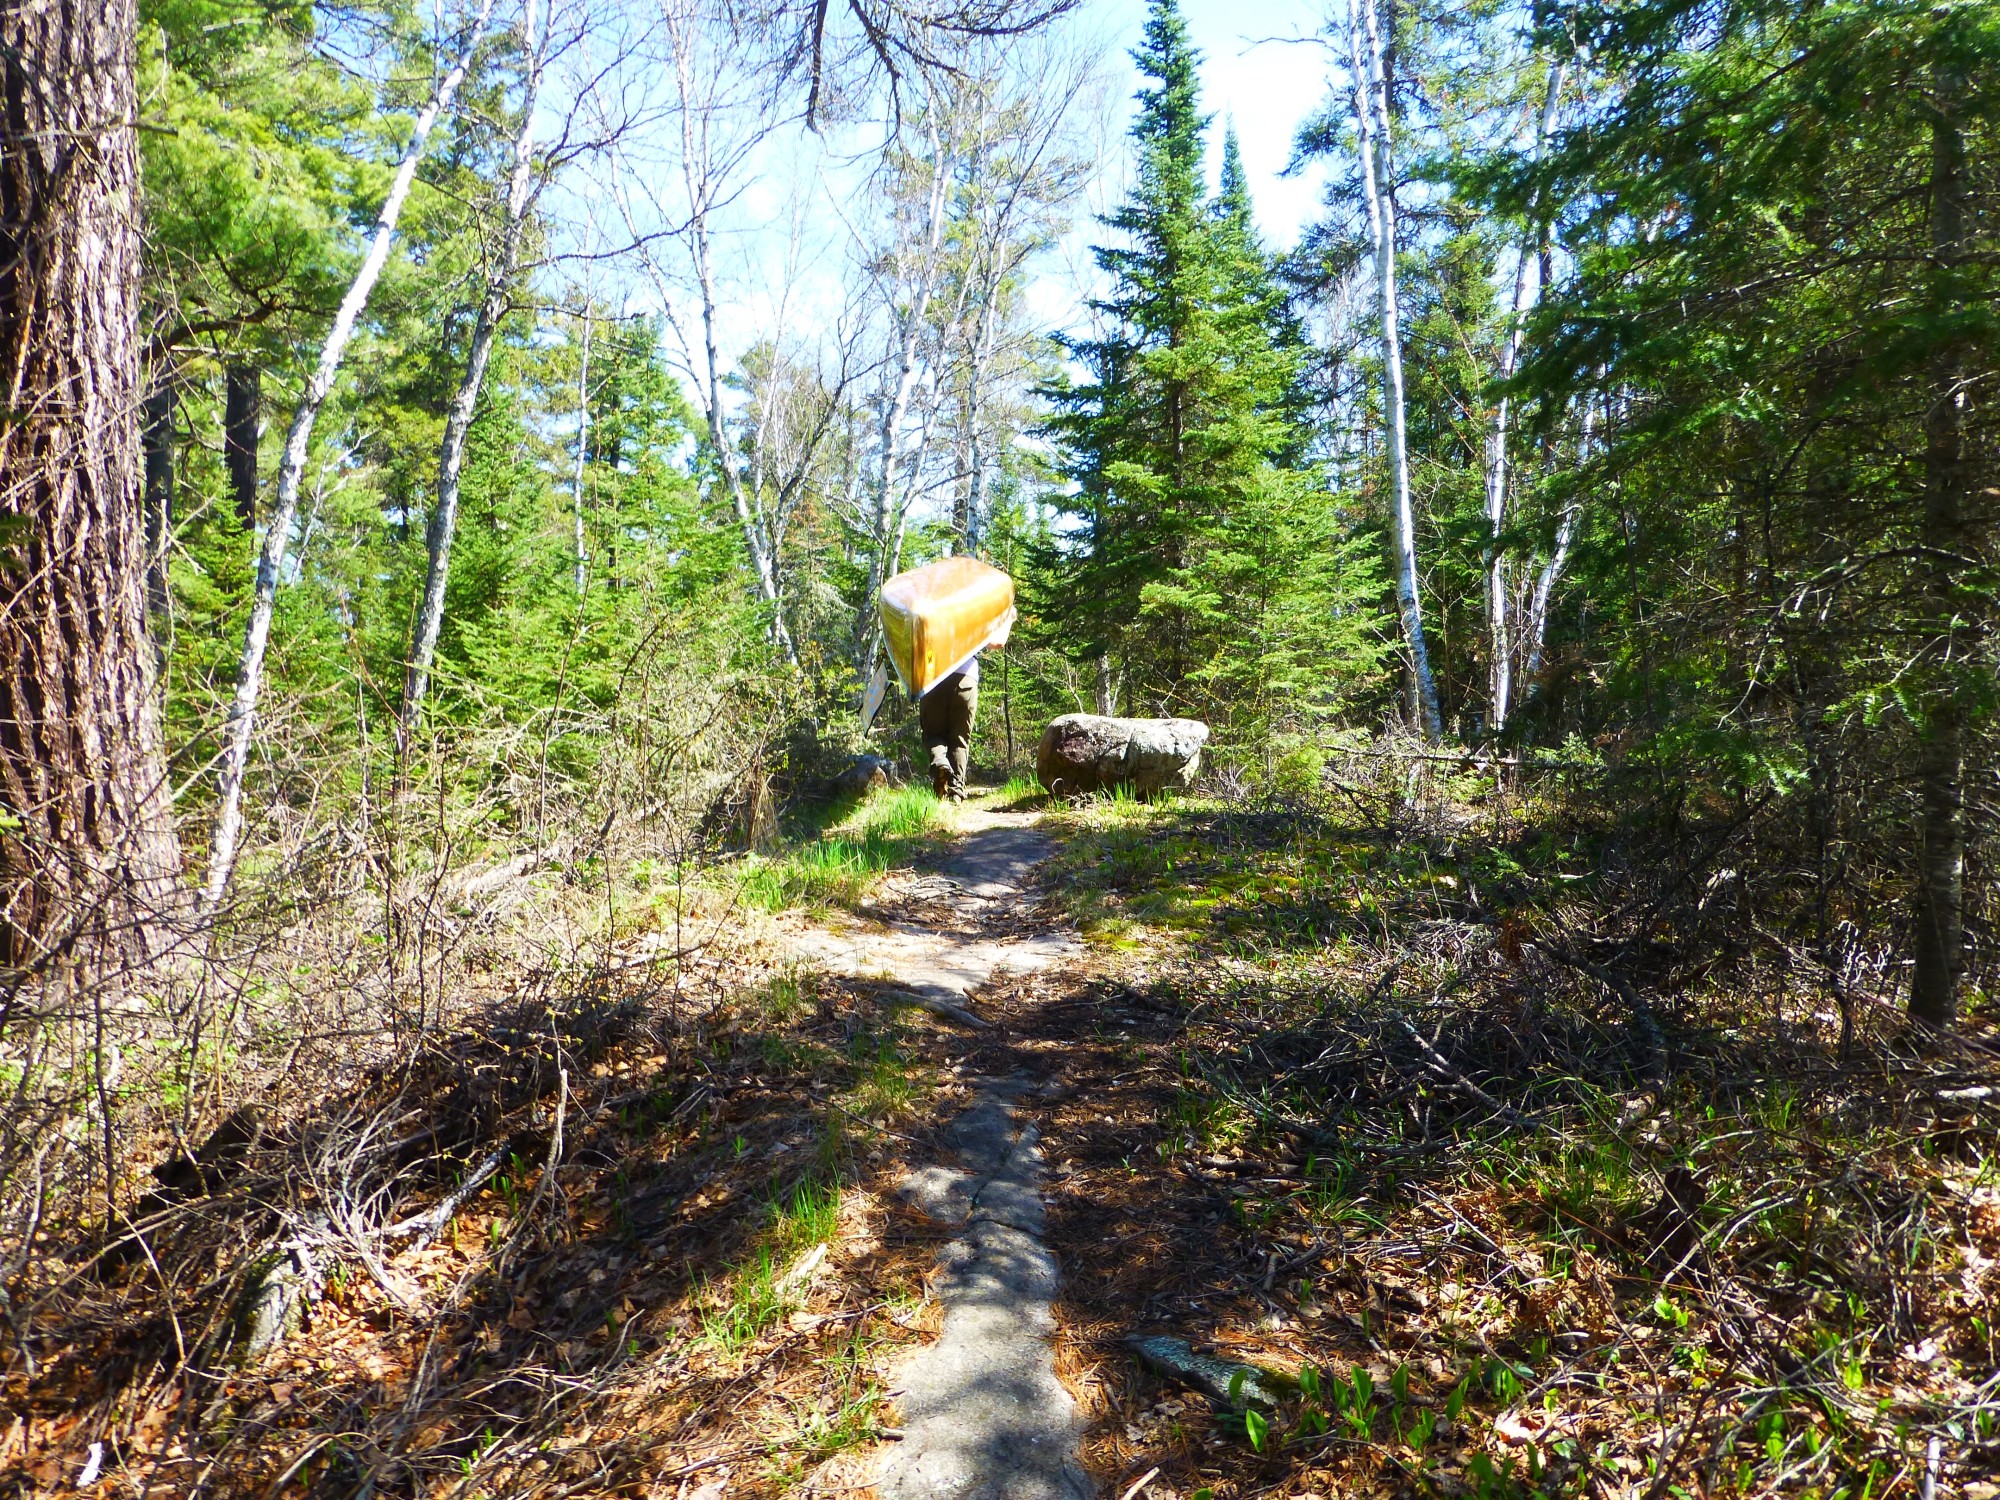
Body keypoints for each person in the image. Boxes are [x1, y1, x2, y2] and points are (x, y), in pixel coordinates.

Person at [919, 655, 979, 800]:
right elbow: (996, 643)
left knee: (933, 734)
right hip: (965, 678)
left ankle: (940, 761)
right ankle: (956, 792)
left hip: (932, 677)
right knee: (960, 739)